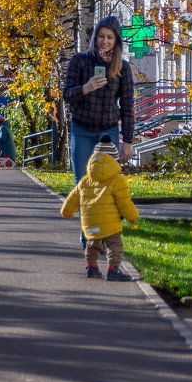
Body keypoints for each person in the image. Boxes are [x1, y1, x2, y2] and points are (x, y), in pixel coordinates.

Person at [63, 15, 136, 182]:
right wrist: (86, 88)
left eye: (110, 37)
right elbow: (67, 95)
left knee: (107, 181)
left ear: (116, 40)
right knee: (82, 181)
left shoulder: (122, 67)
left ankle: (103, 209)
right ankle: (85, 209)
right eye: (101, 36)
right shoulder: (79, 61)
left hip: (108, 131)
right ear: (95, 37)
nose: (105, 41)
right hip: (81, 129)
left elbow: (127, 105)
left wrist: (127, 141)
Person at [61, 136, 139, 281]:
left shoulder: (85, 180)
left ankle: (92, 267)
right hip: (110, 222)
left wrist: (67, 211)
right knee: (114, 245)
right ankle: (113, 269)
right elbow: (124, 202)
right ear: (115, 160)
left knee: (92, 244)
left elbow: (73, 197)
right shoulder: (117, 180)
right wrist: (132, 216)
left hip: (90, 222)